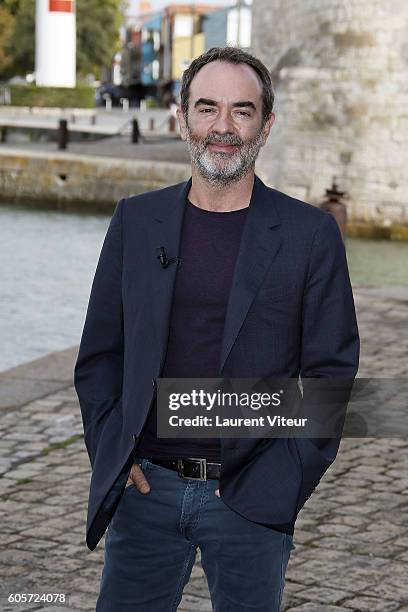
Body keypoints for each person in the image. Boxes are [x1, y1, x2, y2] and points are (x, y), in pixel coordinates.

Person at [74, 46, 360, 611]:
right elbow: (101, 353)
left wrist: (283, 480)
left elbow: (331, 372)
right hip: (145, 492)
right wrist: (114, 453)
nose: (222, 127)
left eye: (242, 111)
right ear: (181, 119)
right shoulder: (136, 220)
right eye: (207, 109)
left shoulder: (309, 235)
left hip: (251, 500)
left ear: (266, 124)